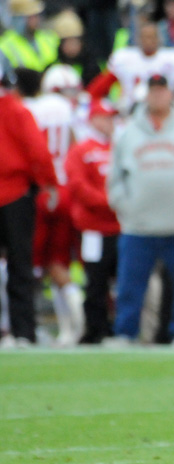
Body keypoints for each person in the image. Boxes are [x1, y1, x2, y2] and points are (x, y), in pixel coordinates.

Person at [106, 73, 174, 345]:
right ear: (146, 94)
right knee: (130, 284)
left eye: (162, 90)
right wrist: (125, 205)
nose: (158, 95)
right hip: (139, 224)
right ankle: (125, 331)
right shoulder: (128, 130)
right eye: (153, 90)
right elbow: (114, 177)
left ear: (170, 94)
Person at [24, 63, 85, 346]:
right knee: (58, 261)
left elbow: (31, 149)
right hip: (65, 191)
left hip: (39, 190)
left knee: (27, 262)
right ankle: (72, 321)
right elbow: (76, 150)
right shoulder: (72, 112)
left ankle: (20, 324)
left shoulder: (32, 109)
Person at [0, 61, 58, 348]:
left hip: (13, 192)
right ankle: (23, 331)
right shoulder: (16, 111)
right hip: (15, 196)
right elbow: (37, 151)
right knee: (20, 266)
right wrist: (47, 182)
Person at [65, 98, 121, 344]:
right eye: (105, 117)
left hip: (120, 226)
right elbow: (78, 185)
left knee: (121, 280)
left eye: (112, 118)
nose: (110, 123)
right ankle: (95, 328)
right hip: (93, 228)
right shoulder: (81, 150)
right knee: (95, 280)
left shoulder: (119, 148)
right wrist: (109, 202)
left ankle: (116, 328)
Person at [87, 19, 174, 114]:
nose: (149, 41)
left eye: (152, 36)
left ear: (159, 38)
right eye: (145, 37)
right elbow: (98, 88)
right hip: (130, 112)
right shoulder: (124, 59)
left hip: (168, 111)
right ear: (138, 39)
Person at [0, 0, 59, 74]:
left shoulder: (49, 38)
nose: (37, 19)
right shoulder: (5, 45)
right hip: (23, 84)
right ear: (19, 19)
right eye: (32, 16)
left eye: (38, 15)